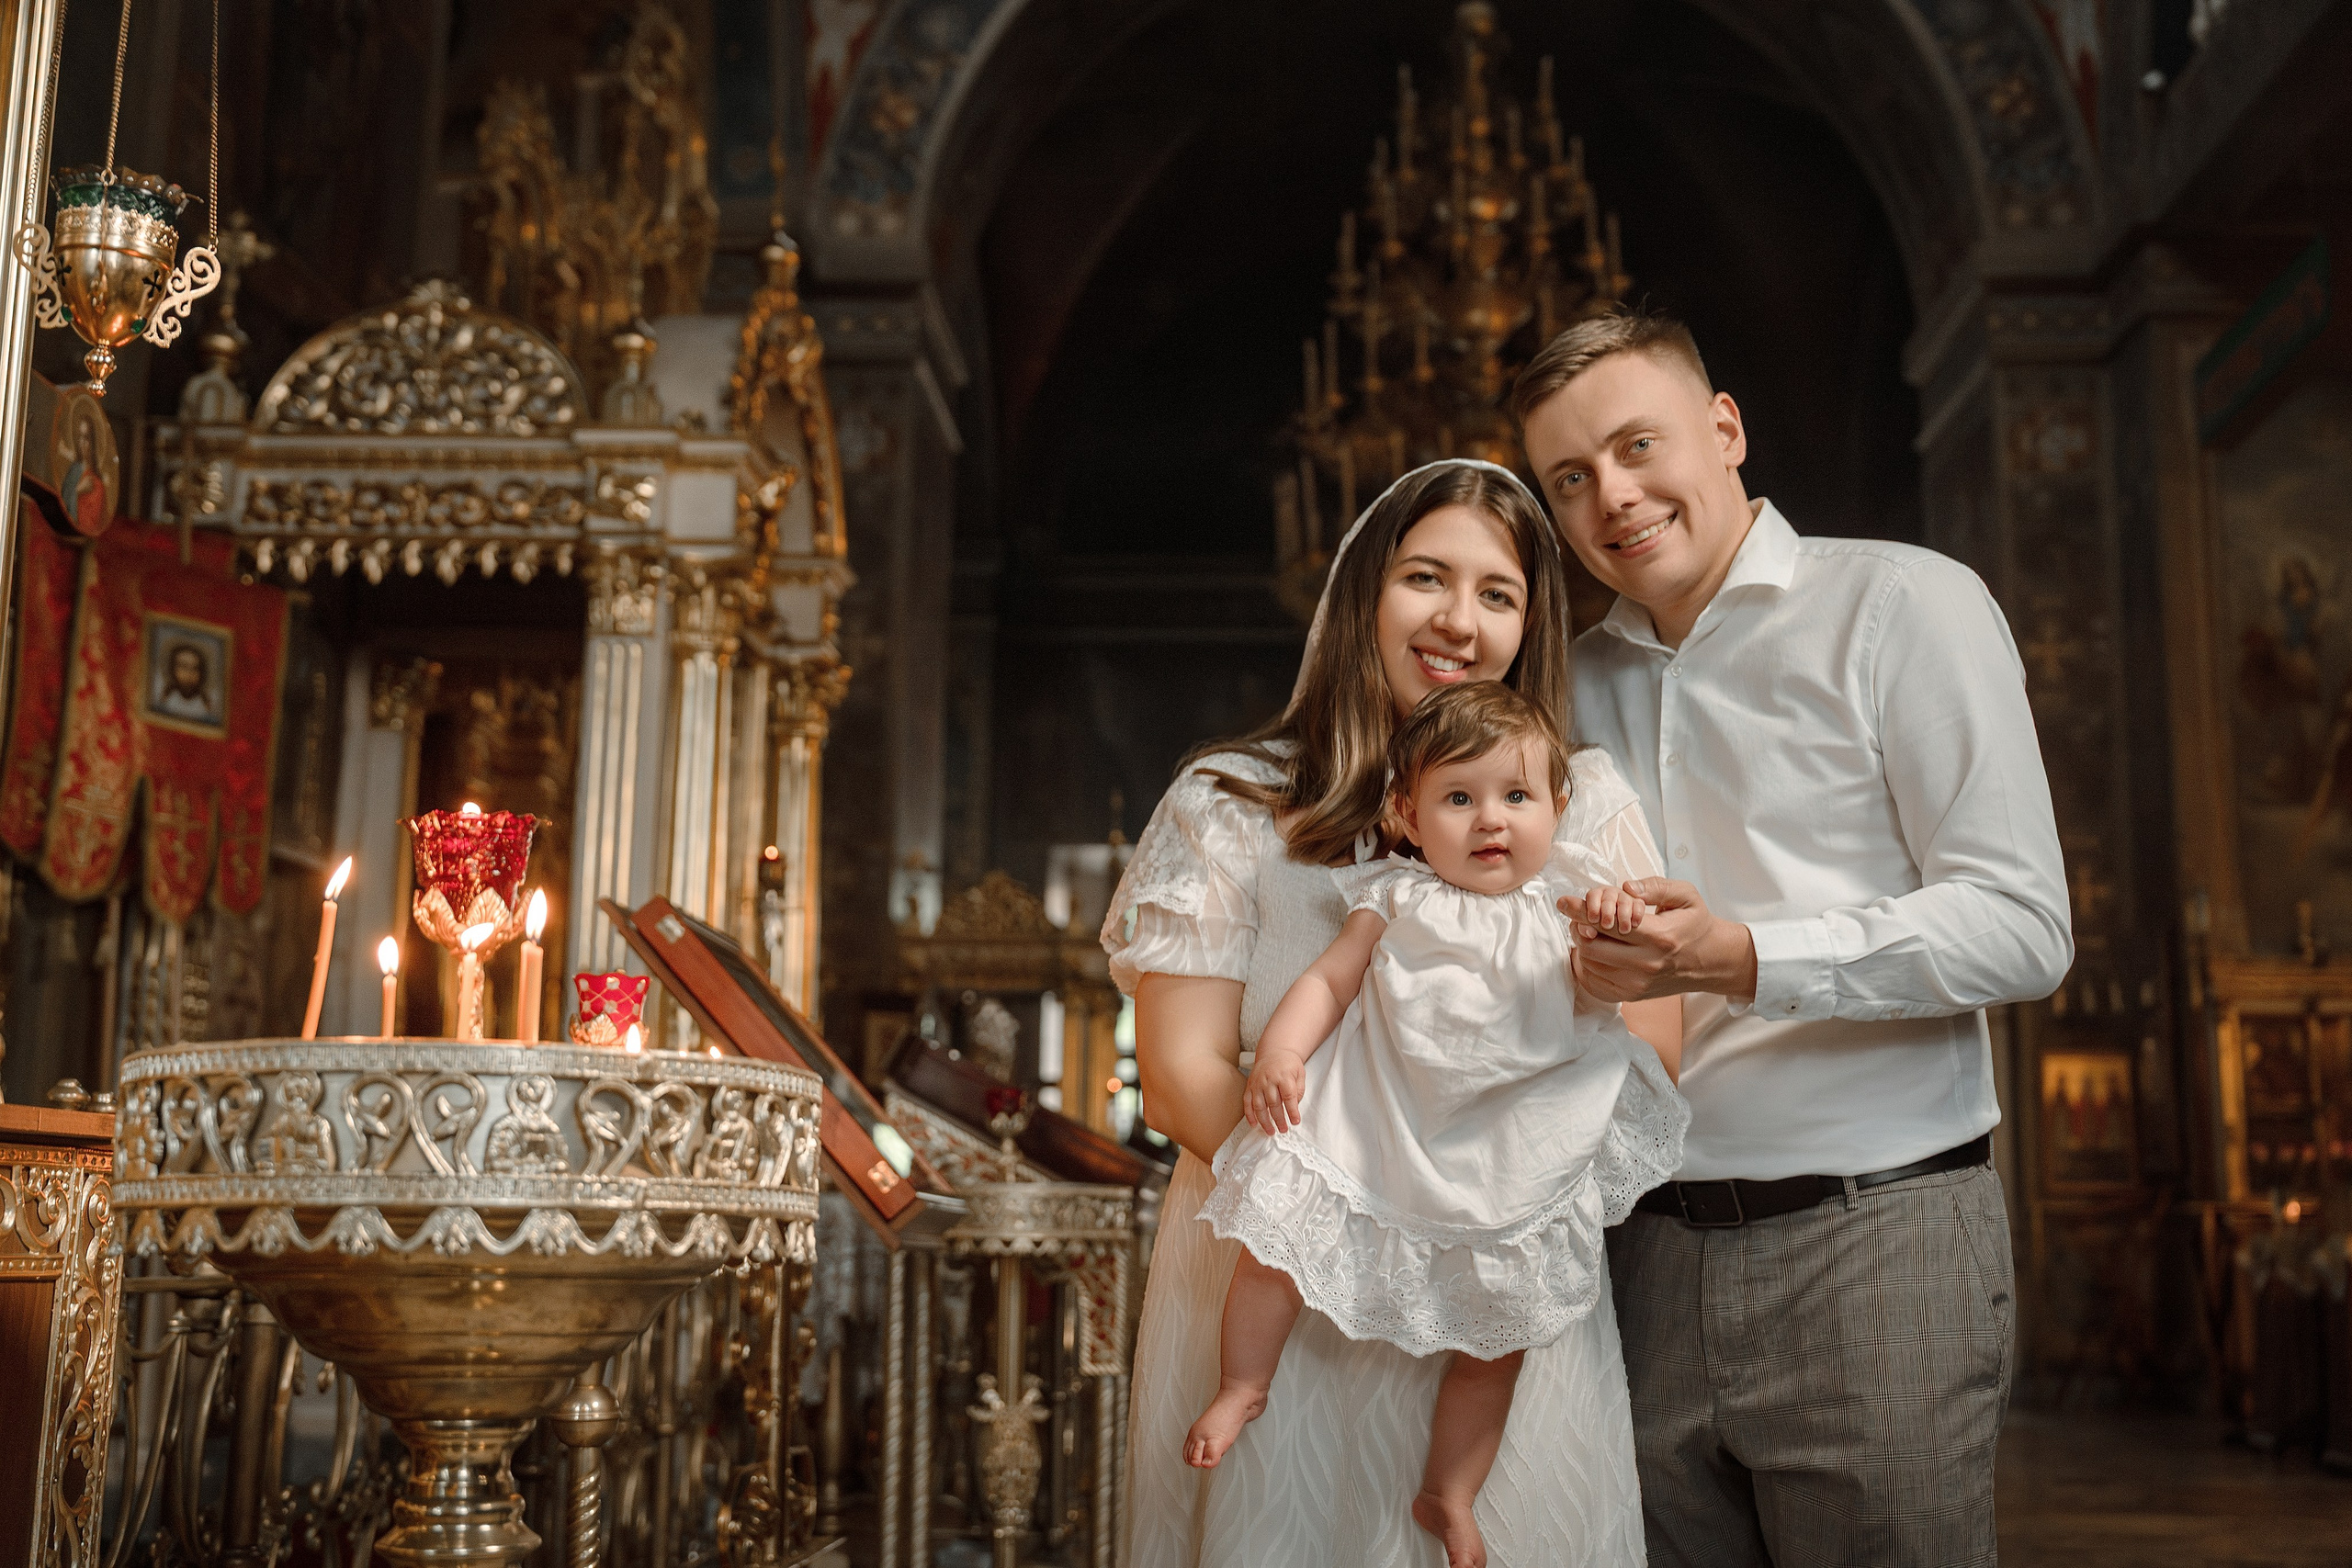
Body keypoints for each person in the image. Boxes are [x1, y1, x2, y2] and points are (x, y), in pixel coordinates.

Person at [1514, 308, 2073, 1566]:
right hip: (1632, 1260)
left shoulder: (1903, 605)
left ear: (1724, 430)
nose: (1612, 494)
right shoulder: (1561, 686)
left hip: (1876, 1234)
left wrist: (1742, 955)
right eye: (1569, 478)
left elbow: (2023, 926)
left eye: (1637, 444)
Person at [1102, 458, 1675, 1568]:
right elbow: (1175, 1078)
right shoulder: (1230, 803)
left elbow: (1652, 1048)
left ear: (1529, 626)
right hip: (1285, 1270)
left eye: (1498, 593)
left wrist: (1476, 1215)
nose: (1459, 620)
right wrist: (1355, 1224)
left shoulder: (1577, 801)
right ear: (1362, 591)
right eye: (1425, 578)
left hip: (1503, 1260)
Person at [1182, 680, 1688, 1568]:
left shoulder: (1569, 899)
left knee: (1501, 1339)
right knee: (1274, 1244)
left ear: (1557, 809)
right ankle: (1243, 1382)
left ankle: (1450, 1490)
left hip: (1510, 1147)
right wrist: (1281, 1054)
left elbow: (1614, 976)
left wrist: (1615, 926)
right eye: (1459, 797)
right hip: (1380, 1122)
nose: (1491, 818)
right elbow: (1329, 980)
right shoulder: (1395, 896)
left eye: (1517, 795)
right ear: (1408, 816)